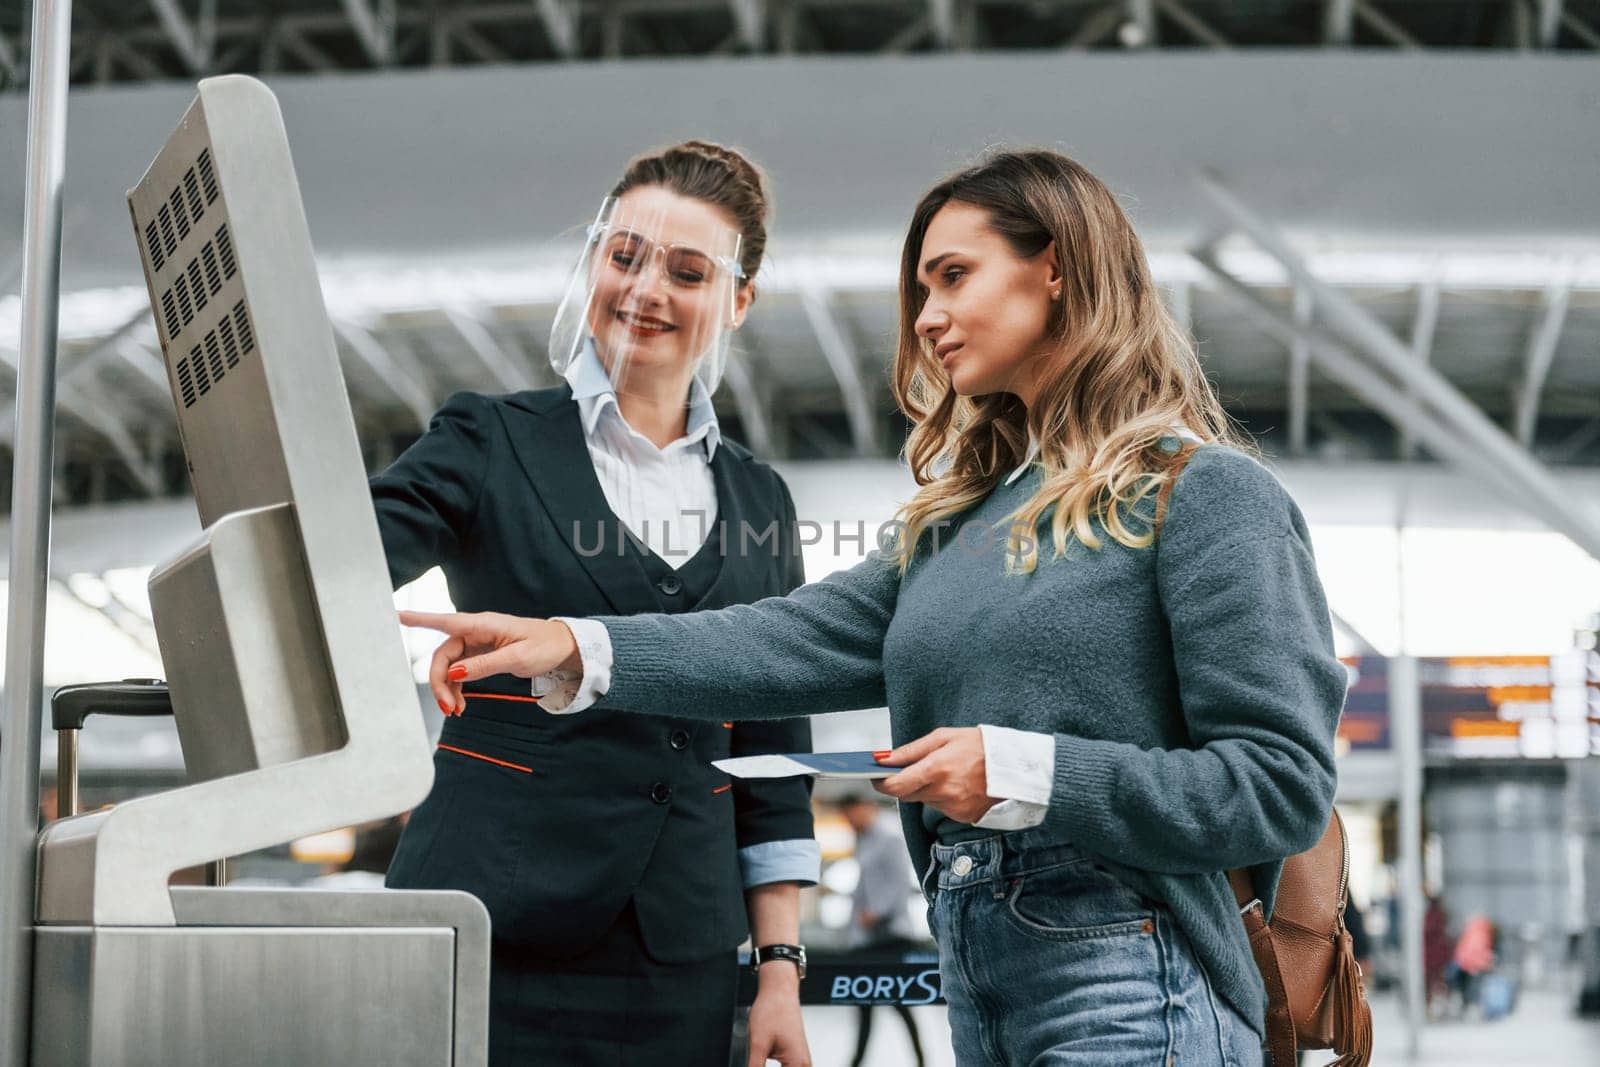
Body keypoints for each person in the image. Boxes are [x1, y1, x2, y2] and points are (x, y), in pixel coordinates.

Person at [402, 149, 1346, 1066]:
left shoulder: (1205, 492)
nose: (928, 320)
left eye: (952, 277)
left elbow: (1280, 784)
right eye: (920, 294)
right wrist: (575, 642)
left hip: (1142, 978)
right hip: (981, 971)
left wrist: (1025, 768)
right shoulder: (957, 526)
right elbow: (781, 639)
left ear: (1055, 268)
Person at [372, 141, 817, 1067]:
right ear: (595, 264)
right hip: (490, 924)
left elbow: (773, 755)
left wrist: (777, 968)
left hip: (680, 955)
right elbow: (335, 566)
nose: (647, 288)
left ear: (737, 301)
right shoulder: (488, 439)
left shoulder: (760, 502)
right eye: (625, 256)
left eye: (687, 271)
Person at [839, 795, 927, 1067]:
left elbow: (901, 881)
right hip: (867, 938)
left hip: (888, 935)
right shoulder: (863, 838)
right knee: (864, 1002)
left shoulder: (888, 835)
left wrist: (877, 912)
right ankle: (857, 1060)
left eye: (851, 813)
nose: (849, 820)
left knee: (898, 1002)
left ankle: (921, 1059)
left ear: (866, 807)